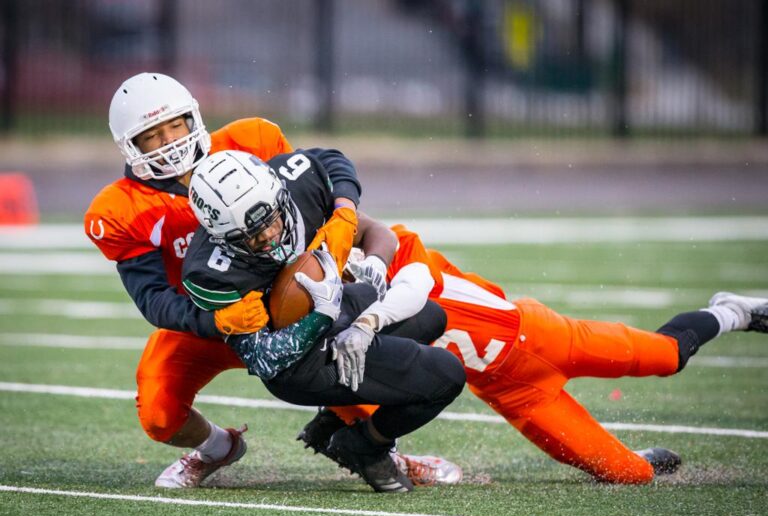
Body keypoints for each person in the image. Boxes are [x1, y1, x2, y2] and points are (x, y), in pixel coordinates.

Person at [303, 225, 768, 484]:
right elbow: (357, 377)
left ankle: (734, 312)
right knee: (632, 475)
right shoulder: (340, 321)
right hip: (515, 394)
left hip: (543, 336)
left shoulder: (405, 253)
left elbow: (408, 273)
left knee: (667, 356)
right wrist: (350, 419)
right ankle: (634, 455)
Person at [83, 72, 363, 489]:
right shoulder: (121, 209)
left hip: (286, 305)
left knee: (359, 375)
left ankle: (382, 451)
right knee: (159, 413)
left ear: (193, 117)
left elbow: (315, 183)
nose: (170, 141)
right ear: (131, 146)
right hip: (210, 320)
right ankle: (217, 448)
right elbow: (153, 300)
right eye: (153, 136)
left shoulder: (251, 141)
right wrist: (217, 321)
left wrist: (344, 213)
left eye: (175, 125)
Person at [183, 150, 466, 493]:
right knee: (447, 375)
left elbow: (336, 164)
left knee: (430, 317)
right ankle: (366, 445)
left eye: (272, 219)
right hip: (300, 362)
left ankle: (334, 420)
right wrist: (320, 316)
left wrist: (376, 261)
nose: (271, 236)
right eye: (253, 236)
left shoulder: (299, 186)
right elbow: (265, 360)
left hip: (335, 307)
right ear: (222, 238)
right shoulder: (211, 273)